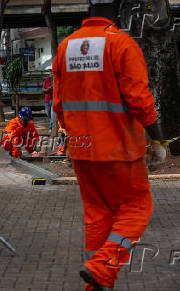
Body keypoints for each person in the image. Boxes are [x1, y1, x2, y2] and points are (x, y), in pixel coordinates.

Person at [52, 0, 167, 290]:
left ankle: (97, 283)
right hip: (118, 149)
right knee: (137, 208)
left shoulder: (66, 47)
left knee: (98, 215)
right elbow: (140, 101)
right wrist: (157, 138)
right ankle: (102, 269)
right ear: (117, 14)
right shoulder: (121, 44)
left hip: (81, 148)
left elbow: (58, 105)